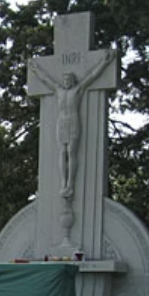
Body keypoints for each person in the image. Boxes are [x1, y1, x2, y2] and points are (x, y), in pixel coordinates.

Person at [29, 51, 115, 198]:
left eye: (69, 78)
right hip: (61, 122)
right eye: (65, 79)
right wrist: (35, 69)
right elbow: (45, 79)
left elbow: (92, 76)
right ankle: (63, 183)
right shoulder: (58, 90)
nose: (67, 80)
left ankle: (70, 184)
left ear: (73, 81)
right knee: (62, 151)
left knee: (71, 152)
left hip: (74, 121)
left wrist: (104, 63)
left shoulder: (78, 90)